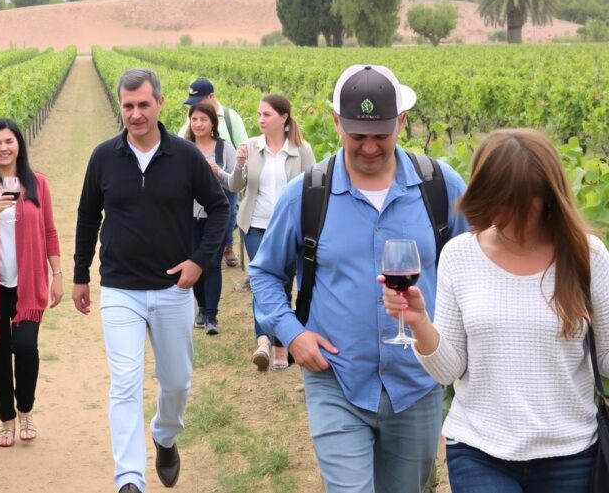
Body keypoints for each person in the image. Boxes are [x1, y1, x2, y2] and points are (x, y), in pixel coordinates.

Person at [250, 65, 469, 493]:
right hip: (336, 378)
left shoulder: (440, 187)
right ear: (336, 122)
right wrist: (293, 335)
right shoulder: (307, 193)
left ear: (401, 123)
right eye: (357, 135)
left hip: (417, 384)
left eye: (381, 135)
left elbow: (476, 269)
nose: (369, 147)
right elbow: (265, 273)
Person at [382, 128, 609, 492]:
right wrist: (419, 322)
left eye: (519, 204)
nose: (504, 215)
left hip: (571, 453)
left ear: (547, 196)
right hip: (478, 450)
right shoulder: (459, 255)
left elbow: (606, 361)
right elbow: (449, 370)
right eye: (496, 201)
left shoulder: (588, 255)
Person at [74, 69, 229, 493]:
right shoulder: (104, 157)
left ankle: (165, 435)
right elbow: (88, 216)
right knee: (124, 383)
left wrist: (200, 261)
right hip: (120, 288)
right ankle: (129, 478)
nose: (135, 114)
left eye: (143, 104)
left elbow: (219, 209)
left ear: (159, 104)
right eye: (128, 106)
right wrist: (80, 276)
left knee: (177, 382)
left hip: (172, 290)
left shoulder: (185, 156)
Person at [0, 118, 63, 448]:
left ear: (19, 144)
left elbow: (49, 230)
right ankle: (6, 421)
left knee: (25, 348)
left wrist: (57, 274)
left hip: (29, 284)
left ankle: (25, 411)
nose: (4, 148)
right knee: (0, 353)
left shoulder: (37, 184)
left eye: (9, 141)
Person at [228, 94, 315, 370]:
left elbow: (313, 189)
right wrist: (240, 164)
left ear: (284, 118)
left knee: (284, 284)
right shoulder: (250, 147)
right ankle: (264, 341)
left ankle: (280, 342)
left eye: (266, 115)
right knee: (262, 283)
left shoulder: (302, 150)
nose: (261, 120)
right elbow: (234, 185)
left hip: (289, 229)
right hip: (255, 226)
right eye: (259, 115)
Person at [179, 78, 247, 268]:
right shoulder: (192, 119)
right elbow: (179, 142)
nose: (196, 109)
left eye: (199, 101)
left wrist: (230, 170)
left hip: (225, 177)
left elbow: (243, 146)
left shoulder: (231, 117)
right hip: (197, 182)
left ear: (211, 97)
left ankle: (226, 247)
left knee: (229, 215)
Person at [183, 102, 236, 335]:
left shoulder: (225, 149)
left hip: (216, 213)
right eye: (194, 119)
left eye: (203, 120)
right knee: (195, 261)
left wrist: (219, 172)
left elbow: (236, 183)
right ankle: (202, 308)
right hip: (188, 214)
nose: (198, 124)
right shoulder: (183, 148)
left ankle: (212, 315)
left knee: (213, 263)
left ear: (213, 123)